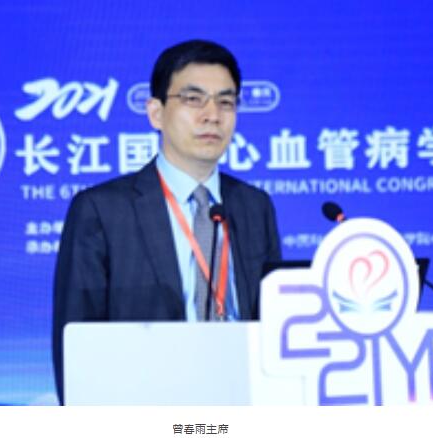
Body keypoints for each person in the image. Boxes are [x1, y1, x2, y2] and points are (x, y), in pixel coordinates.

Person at [52, 39, 281, 404]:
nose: (212, 115)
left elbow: (274, 325)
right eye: (193, 99)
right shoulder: (102, 210)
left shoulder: (254, 206)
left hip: (242, 401)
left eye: (225, 102)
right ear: (156, 113)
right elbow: (75, 345)